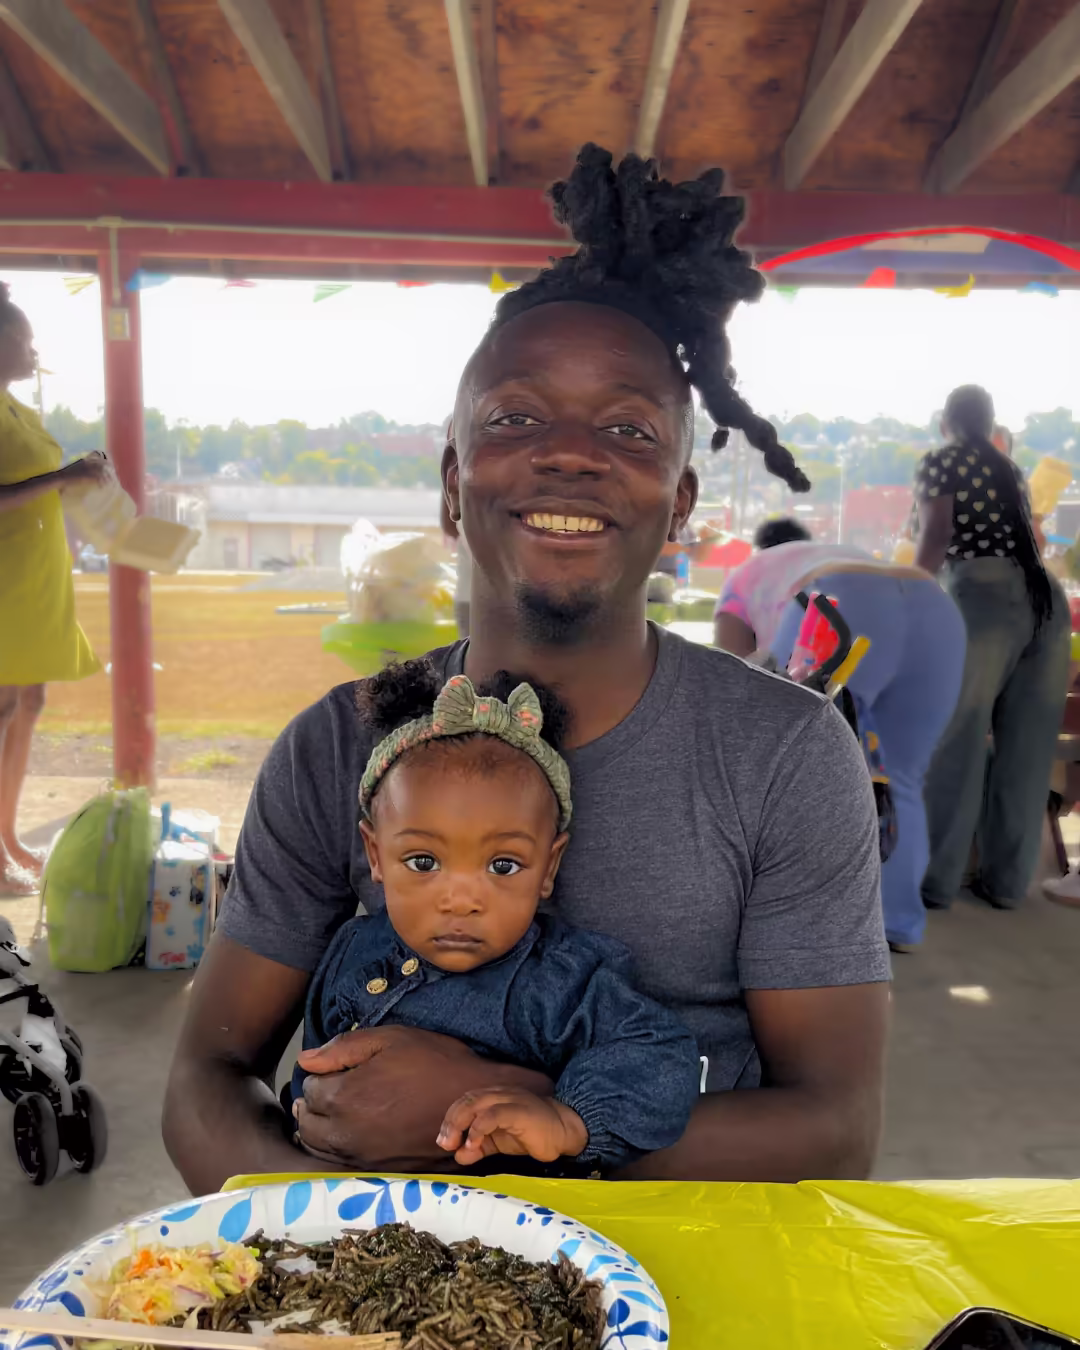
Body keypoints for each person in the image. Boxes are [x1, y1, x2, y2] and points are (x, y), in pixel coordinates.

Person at [164, 144, 889, 1194]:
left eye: (629, 427)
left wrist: (511, 1127)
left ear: (681, 502)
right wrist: (323, 1222)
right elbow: (203, 1075)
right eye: (515, 417)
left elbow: (834, 1129)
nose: (570, 451)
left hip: (692, 1254)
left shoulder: (780, 752)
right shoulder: (336, 746)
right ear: (455, 484)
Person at [291, 663, 700, 1173]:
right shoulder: (353, 952)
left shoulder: (564, 981)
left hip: (513, 1228)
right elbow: (318, 1061)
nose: (461, 899)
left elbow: (660, 1055)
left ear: (548, 866)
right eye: (423, 862)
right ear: (375, 855)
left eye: (502, 866)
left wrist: (571, 1121)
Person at [714, 519, 966, 952]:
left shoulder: (743, 577)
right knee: (902, 777)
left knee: (796, 775)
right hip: (934, 608)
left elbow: (731, 692)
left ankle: (806, 927)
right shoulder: (836, 553)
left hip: (842, 601)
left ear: (761, 548)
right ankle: (898, 923)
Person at [916, 384, 1070, 910]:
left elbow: (936, 535)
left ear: (946, 423)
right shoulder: (1009, 469)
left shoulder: (941, 461)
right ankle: (1005, 886)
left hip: (984, 595)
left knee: (956, 739)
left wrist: (909, 593)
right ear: (990, 423)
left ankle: (935, 883)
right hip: (1046, 601)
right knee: (1025, 751)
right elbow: (1036, 543)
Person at [0, 285, 107, 893]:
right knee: (1, 709)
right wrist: (61, 476)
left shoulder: (17, 408)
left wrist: (81, 481)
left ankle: (7, 834)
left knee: (28, 704)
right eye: (22, 337)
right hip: (5, 581)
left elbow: (35, 482)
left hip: (34, 579)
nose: (33, 348)